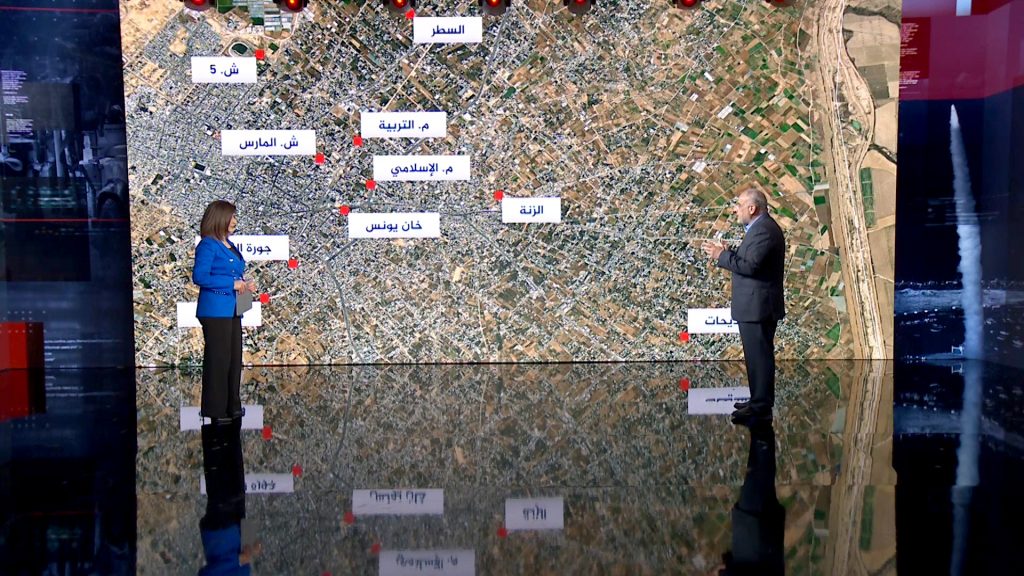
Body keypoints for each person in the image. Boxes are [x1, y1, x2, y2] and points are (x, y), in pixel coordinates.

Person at [701, 188, 786, 424]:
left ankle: (761, 408)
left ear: (752, 208)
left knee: (760, 358)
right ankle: (757, 401)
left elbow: (751, 267)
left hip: (758, 307)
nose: (735, 210)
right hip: (754, 306)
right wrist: (730, 252)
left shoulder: (764, 230)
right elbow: (751, 260)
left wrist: (721, 256)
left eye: (739, 205)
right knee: (755, 357)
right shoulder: (759, 229)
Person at [193, 200, 255, 422]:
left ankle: (232, 407)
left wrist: (245, 284)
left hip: (233, 308)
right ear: (220, 218)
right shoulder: (208, 245)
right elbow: (200, 277)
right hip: (215, 310)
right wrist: (232, 284)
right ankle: (215, 410)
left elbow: (234, 274)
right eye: (232, 217)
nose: (235, 221)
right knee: (218, 360)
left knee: (233, 359)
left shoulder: (229, 244)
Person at [717, 422, 785, 575]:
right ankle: (761, 425)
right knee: (759, 472)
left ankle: (758, 427)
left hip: (756, 540)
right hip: (756, 536)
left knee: (758, 472)